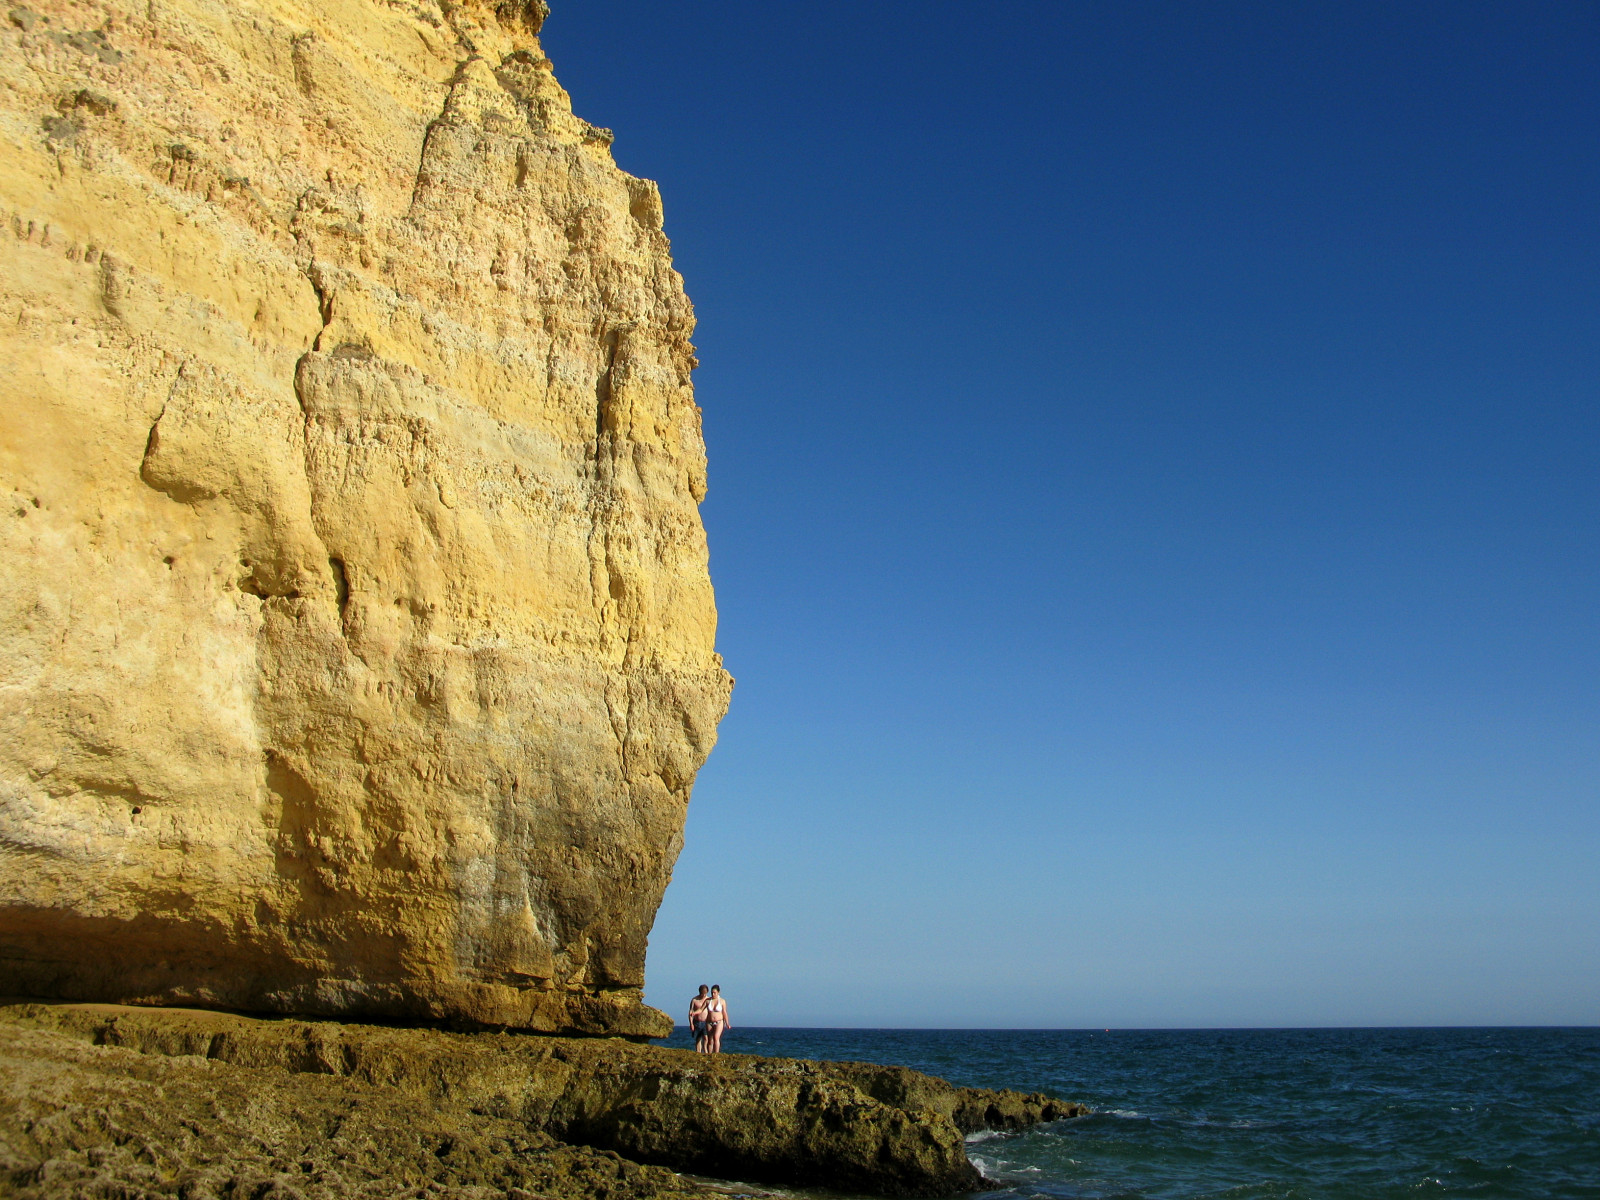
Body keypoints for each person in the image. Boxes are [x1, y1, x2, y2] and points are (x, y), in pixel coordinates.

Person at [705, 984, 729, 1054]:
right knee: (710, 1040)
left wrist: (727, 1023)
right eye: (712, 992)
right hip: (709, 1022)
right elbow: (701, 1009)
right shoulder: (708, 1001)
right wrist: (694, 1012)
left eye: (714, 993)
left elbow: (724, 1012)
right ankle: (709, 1055)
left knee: (716, 1037)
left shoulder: (722, 1001)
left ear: (718, 992)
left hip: (719, 1021)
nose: (713, 994)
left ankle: (716, 1054)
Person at [687, 985, 710, 1053]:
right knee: (698, 1039)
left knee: (706, 1038)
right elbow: (691, 1012)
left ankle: (706, 1051)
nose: (703, 995)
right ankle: (698, 1052)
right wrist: (691, 1023)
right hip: (697, 1021)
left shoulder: (708, 1000)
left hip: (706, 1022)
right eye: (702, 993)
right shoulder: (694, 1000)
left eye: (705, 993)